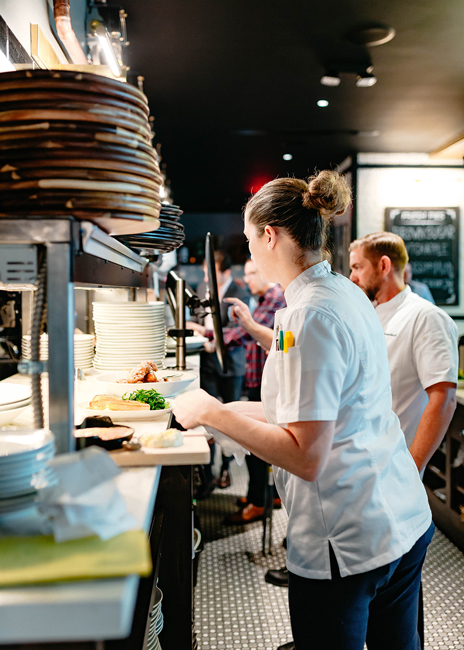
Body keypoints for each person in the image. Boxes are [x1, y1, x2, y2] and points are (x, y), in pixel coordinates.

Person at [174, 171, 434, 650]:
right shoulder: (345, 293)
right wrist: (230, 410)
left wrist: (213, 412)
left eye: (251, 239)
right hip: (400, 519)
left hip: (349, 537)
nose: (250, 250)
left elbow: (305, 455)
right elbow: (313, 410)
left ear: (269, 235)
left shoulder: (308, 314)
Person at [349, 232, 458, 650]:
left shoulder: (425, 317)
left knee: (402, 588)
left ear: (384, 265)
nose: (352, 274)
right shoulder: (374, 314)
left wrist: (413, 466)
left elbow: (443, 397)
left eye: (357, 266)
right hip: (374, 469)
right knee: (390, 583)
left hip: (401, 470)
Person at [222, 258, 286, 524]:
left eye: (250, 274)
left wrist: (212, 337)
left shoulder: (275, 299)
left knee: (257, 445)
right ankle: (261, 496)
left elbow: (247, 332)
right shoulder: (262, 299)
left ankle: (259, 501)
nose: (246, 279)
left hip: (266, 382)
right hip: (258, 378)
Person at [188, 250, 249, 494]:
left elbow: (237, 331)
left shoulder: (239, 293)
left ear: (225, 272)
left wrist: (207, 336)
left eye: (210, 272)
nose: (205, 277)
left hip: (231, 364)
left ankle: (226, 467)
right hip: (207, 362)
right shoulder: (202, 289)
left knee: (230, 417)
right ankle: (208, 472)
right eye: (205, 271)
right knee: (209, 415)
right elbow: (196, 317)